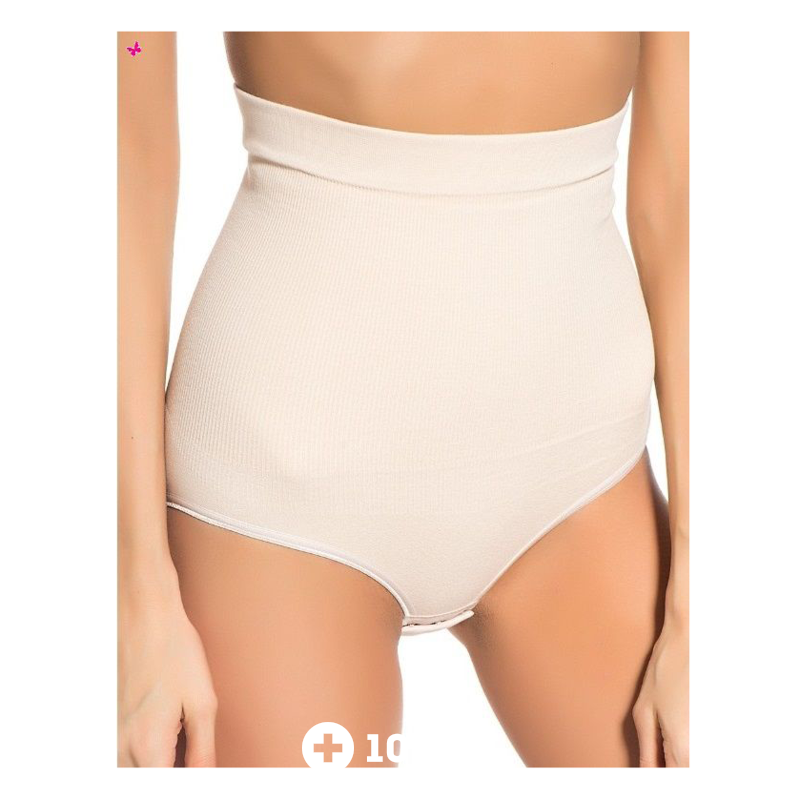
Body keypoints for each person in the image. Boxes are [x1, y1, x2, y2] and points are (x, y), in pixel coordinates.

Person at [118, 31, 688, 768]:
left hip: (583, 478)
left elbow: (680, 202)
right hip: (281, 496)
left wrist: (700, 594)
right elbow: (123, 161)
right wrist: (137, 599)